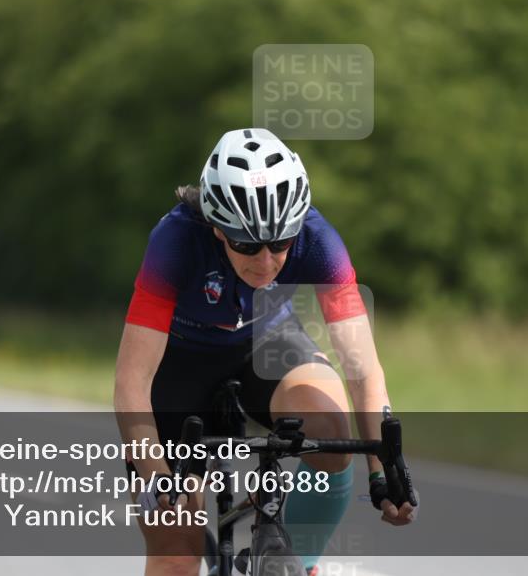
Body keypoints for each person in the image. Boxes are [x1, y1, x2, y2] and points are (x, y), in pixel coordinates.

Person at [114, 128, 415, 576]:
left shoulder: (317, 238)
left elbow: (362, 368)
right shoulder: (175, 240)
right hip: (180, 368)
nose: (266, 260)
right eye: (246, 244)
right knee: (175, 552)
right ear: (217, 226)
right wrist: (159, 478)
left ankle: (297, 560)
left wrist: (382, 469)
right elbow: (131, 383)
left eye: (280, 243)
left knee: (331, 429)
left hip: (267, 345)